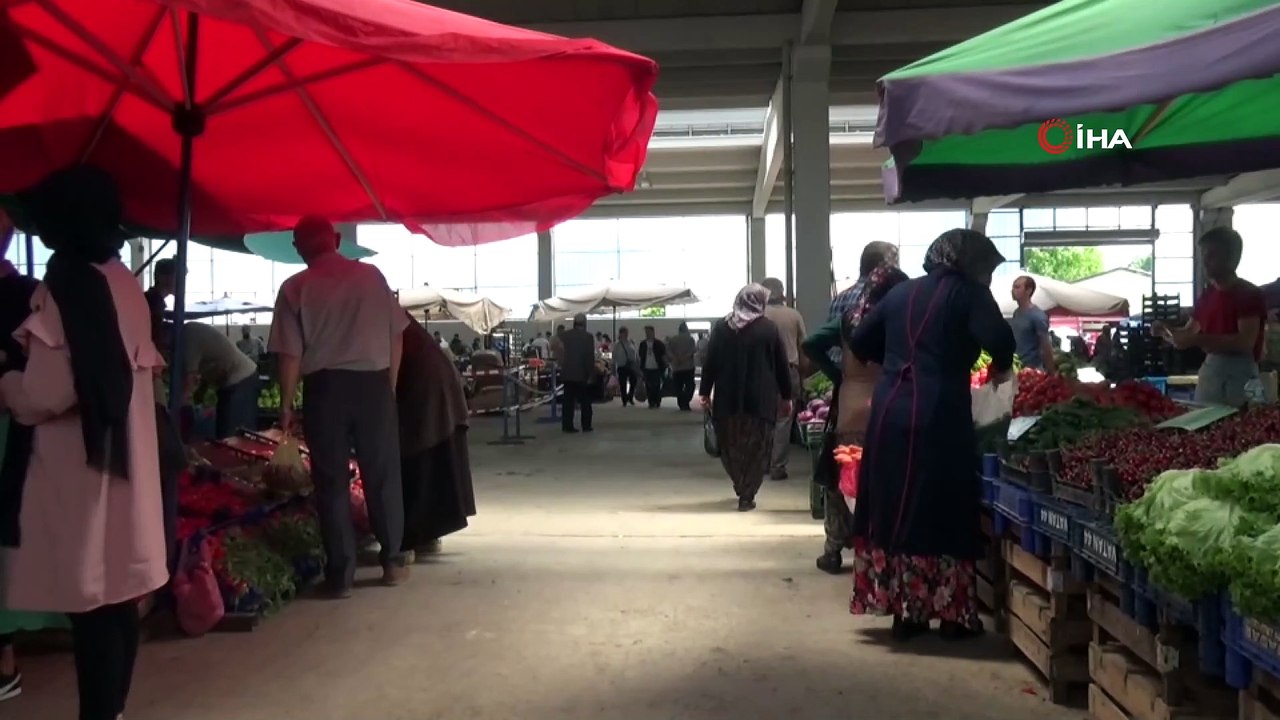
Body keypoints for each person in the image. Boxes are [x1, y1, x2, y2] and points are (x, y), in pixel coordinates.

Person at [0, 165, 168, 720]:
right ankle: (112, 711)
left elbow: (47, 392)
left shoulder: (68, 282)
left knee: (91, 602)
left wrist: (5, 381)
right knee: (117, 596)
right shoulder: (122, 281)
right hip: (128, 460)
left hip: (80, 469)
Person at [847, 228, 1015, 641]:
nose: (987, 278)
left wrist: (898, 356)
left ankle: (907, 613)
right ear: (969, 263)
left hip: (889, 411)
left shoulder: (901, 293)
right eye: (985, 269)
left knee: (895, 503)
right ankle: (951, 615)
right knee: (942, 503)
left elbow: (861, 339)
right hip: (939, 410)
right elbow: (999, 338)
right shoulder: (967, 292)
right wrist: (996, 363)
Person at [269, 215, 410, 597]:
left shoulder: (294, 287)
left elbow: (290, 355)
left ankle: (340, 576)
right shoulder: (371, 277)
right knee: (382, 474)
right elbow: (397, 337)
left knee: (330, 482)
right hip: (373, 385)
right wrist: (389, 388)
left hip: (325, 389)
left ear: (298, 247)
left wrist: (285, 404)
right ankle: (393, 562)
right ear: (335, 239)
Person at [0, 208, 69, 704]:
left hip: (13, 429)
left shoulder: (30, 295)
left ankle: (5, 656)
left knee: (8, 529)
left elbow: (41, 379)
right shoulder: (29, 294)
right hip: (17, 423)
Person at [802, 261, 909, 574]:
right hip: (892, 408)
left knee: (842, 482)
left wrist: (839, 374)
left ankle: (833, 550)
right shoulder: (903, 323)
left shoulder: (850, 319)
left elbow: (811, 344)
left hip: (851, 409)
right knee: (885, 482)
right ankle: (880, 551)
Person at [700, 284, 794, 511]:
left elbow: (710, 362)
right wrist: (787, 396)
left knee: (731, 445)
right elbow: (781, 366)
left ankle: (740, 483)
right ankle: (747, 491)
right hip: (760, 400)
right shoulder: (768, 328)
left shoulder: (721, 328)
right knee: (758, 447)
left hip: (727, 400)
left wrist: (705, 391)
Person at [1155, 227, 1266, 406]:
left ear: (1231, 259)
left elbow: (1245, 342)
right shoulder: (1208, 295)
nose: (1205, 261)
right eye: (1204, 255)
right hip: (1211, 370)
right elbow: (1188, 332)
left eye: (1212, 255)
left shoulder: (1249, 294)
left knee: (1243, 427)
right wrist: (1166, 331)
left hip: (1242, 374)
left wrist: (1197, 340)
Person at [396, 313, 476, 557]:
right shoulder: (387, 313)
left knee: (419, 457)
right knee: (434, 457)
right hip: (434, 383)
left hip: (426, 388)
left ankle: (415, 535)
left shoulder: (375, 315)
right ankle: (426, 533)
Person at [761, 277, 807, 481]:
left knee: (761, 417)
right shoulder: (794, 315)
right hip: (789, 371)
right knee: (783, 418)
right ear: (784, 296)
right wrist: (803, 374)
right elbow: (803, 348)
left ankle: (761, 463)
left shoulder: (756, 315)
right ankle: (777, 466)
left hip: (760, 372)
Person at [181, 321, 260, 438]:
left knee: (232, 437)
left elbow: (189, 381)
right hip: (232, 381)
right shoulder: (189, 335)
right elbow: (203, 372)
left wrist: (182, 408)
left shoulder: (187, 336)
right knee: (226, 434)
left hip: (241, 379)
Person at [828, 243, 900, 363]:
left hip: (838, 373)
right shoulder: (879, 297)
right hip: (865, 374)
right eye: (894, 261)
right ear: (881, 266)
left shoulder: (839, 298)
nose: (897, 268)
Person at [558, 313, 596, 433]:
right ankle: (586, 425)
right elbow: (589, 357)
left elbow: (557, 349)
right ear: (585, 323)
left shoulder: (565, 335)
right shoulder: (588, 337)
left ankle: (567, 425)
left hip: (567, 374)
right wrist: (591, 374)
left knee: (568, 402)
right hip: (582, 374)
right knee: (585, 402)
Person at [1010, 275, 1056, 372]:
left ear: (1029, 290)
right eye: (1013, 287)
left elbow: (1046, 345)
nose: (1013, 290)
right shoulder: (1016, 313)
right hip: (1016, 368)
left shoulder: (1037, 316)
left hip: (1032, 370)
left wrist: (1051, 371)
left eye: (1017, 287)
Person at [144, 257, 176, 345]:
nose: (181, 283)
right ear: (164, 278)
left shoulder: (151, 298)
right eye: (177, 277)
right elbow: (155, 338)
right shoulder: (153, 303)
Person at [667, 322, 697, 411]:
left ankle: (681, 404)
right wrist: (685, 357)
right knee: (690, 386)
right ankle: (686, 401)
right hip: (688, 366)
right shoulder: (691, 339)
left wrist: (676, 358)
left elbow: (668, 351)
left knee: (678, 386)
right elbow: (693, 351)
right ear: (686, 329)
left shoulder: (673, 339)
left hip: (677, 367)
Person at [638, 325, 667, 409]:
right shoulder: (643, 344)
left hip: (657, 367)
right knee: (648, 385)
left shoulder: (659, 343)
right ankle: (651, 401)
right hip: (646, 367)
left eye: (649, 332)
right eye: (646, 332)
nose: (647, 334)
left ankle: (657, 401)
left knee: (656, 385)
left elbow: (663, 355)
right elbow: (640, 355)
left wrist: (666, 364)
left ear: (653, 332)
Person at [613, 326, 639, 406]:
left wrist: (637, 362)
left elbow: (635, 353)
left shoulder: (631, 342)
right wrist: (613, 366)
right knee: (623, 383)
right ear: (620, 334)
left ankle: (630, 396)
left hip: (631, 365)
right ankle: (624, 399)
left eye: (626, 333)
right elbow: (614, 356)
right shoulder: (617, 345)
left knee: (633, 380)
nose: (626, 334)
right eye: (624, 333)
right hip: (622, 366)